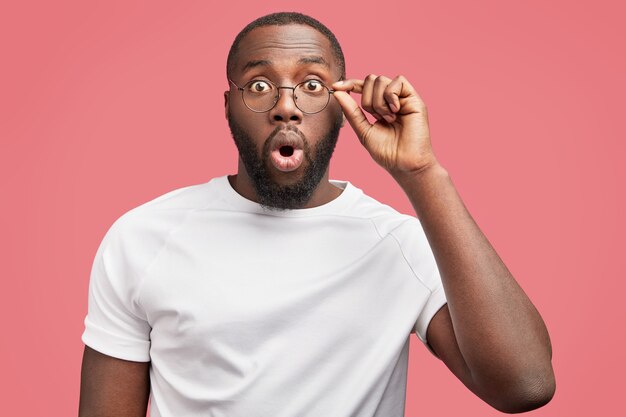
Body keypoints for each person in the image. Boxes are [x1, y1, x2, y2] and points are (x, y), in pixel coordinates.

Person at [78, 12, 555, 417]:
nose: (286, 106)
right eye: (260, 84)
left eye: (311, 85)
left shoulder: (398, 242)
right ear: (228, 107)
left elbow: (525, 385)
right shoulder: (141, 237)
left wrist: (422, 173)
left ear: (343, 104)